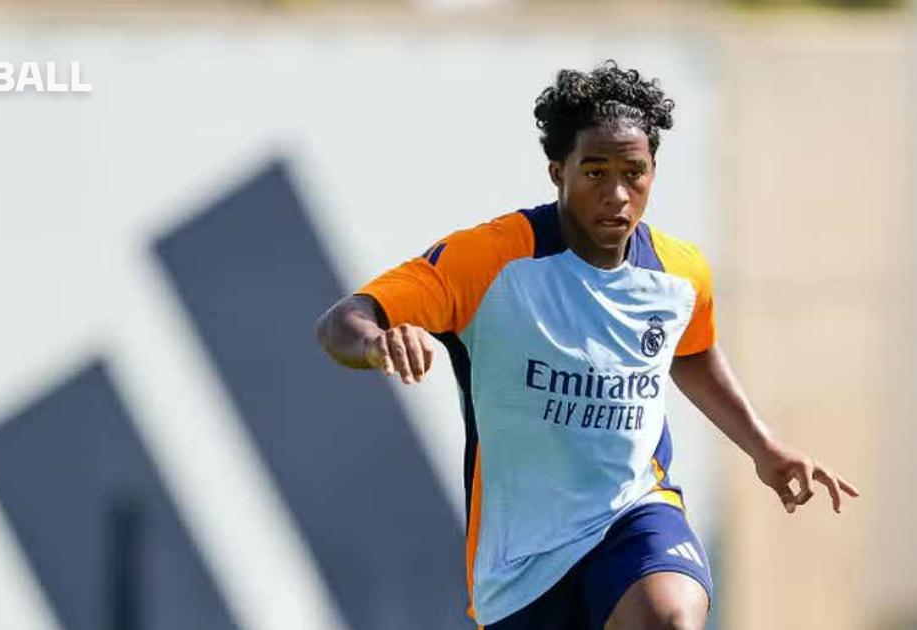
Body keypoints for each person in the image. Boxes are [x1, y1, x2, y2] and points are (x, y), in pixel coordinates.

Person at [313, 61, 859, 630]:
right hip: (522, 559)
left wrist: (763, 447)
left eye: (633, 172)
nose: (617, 194)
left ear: (653, 172)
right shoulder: (487, 263)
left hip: (634, 513)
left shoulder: (680, 273)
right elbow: (341, 322)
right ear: (558, 171)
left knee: (670, 618)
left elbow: (692, 351)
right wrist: (377, 343)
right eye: (595, 172)